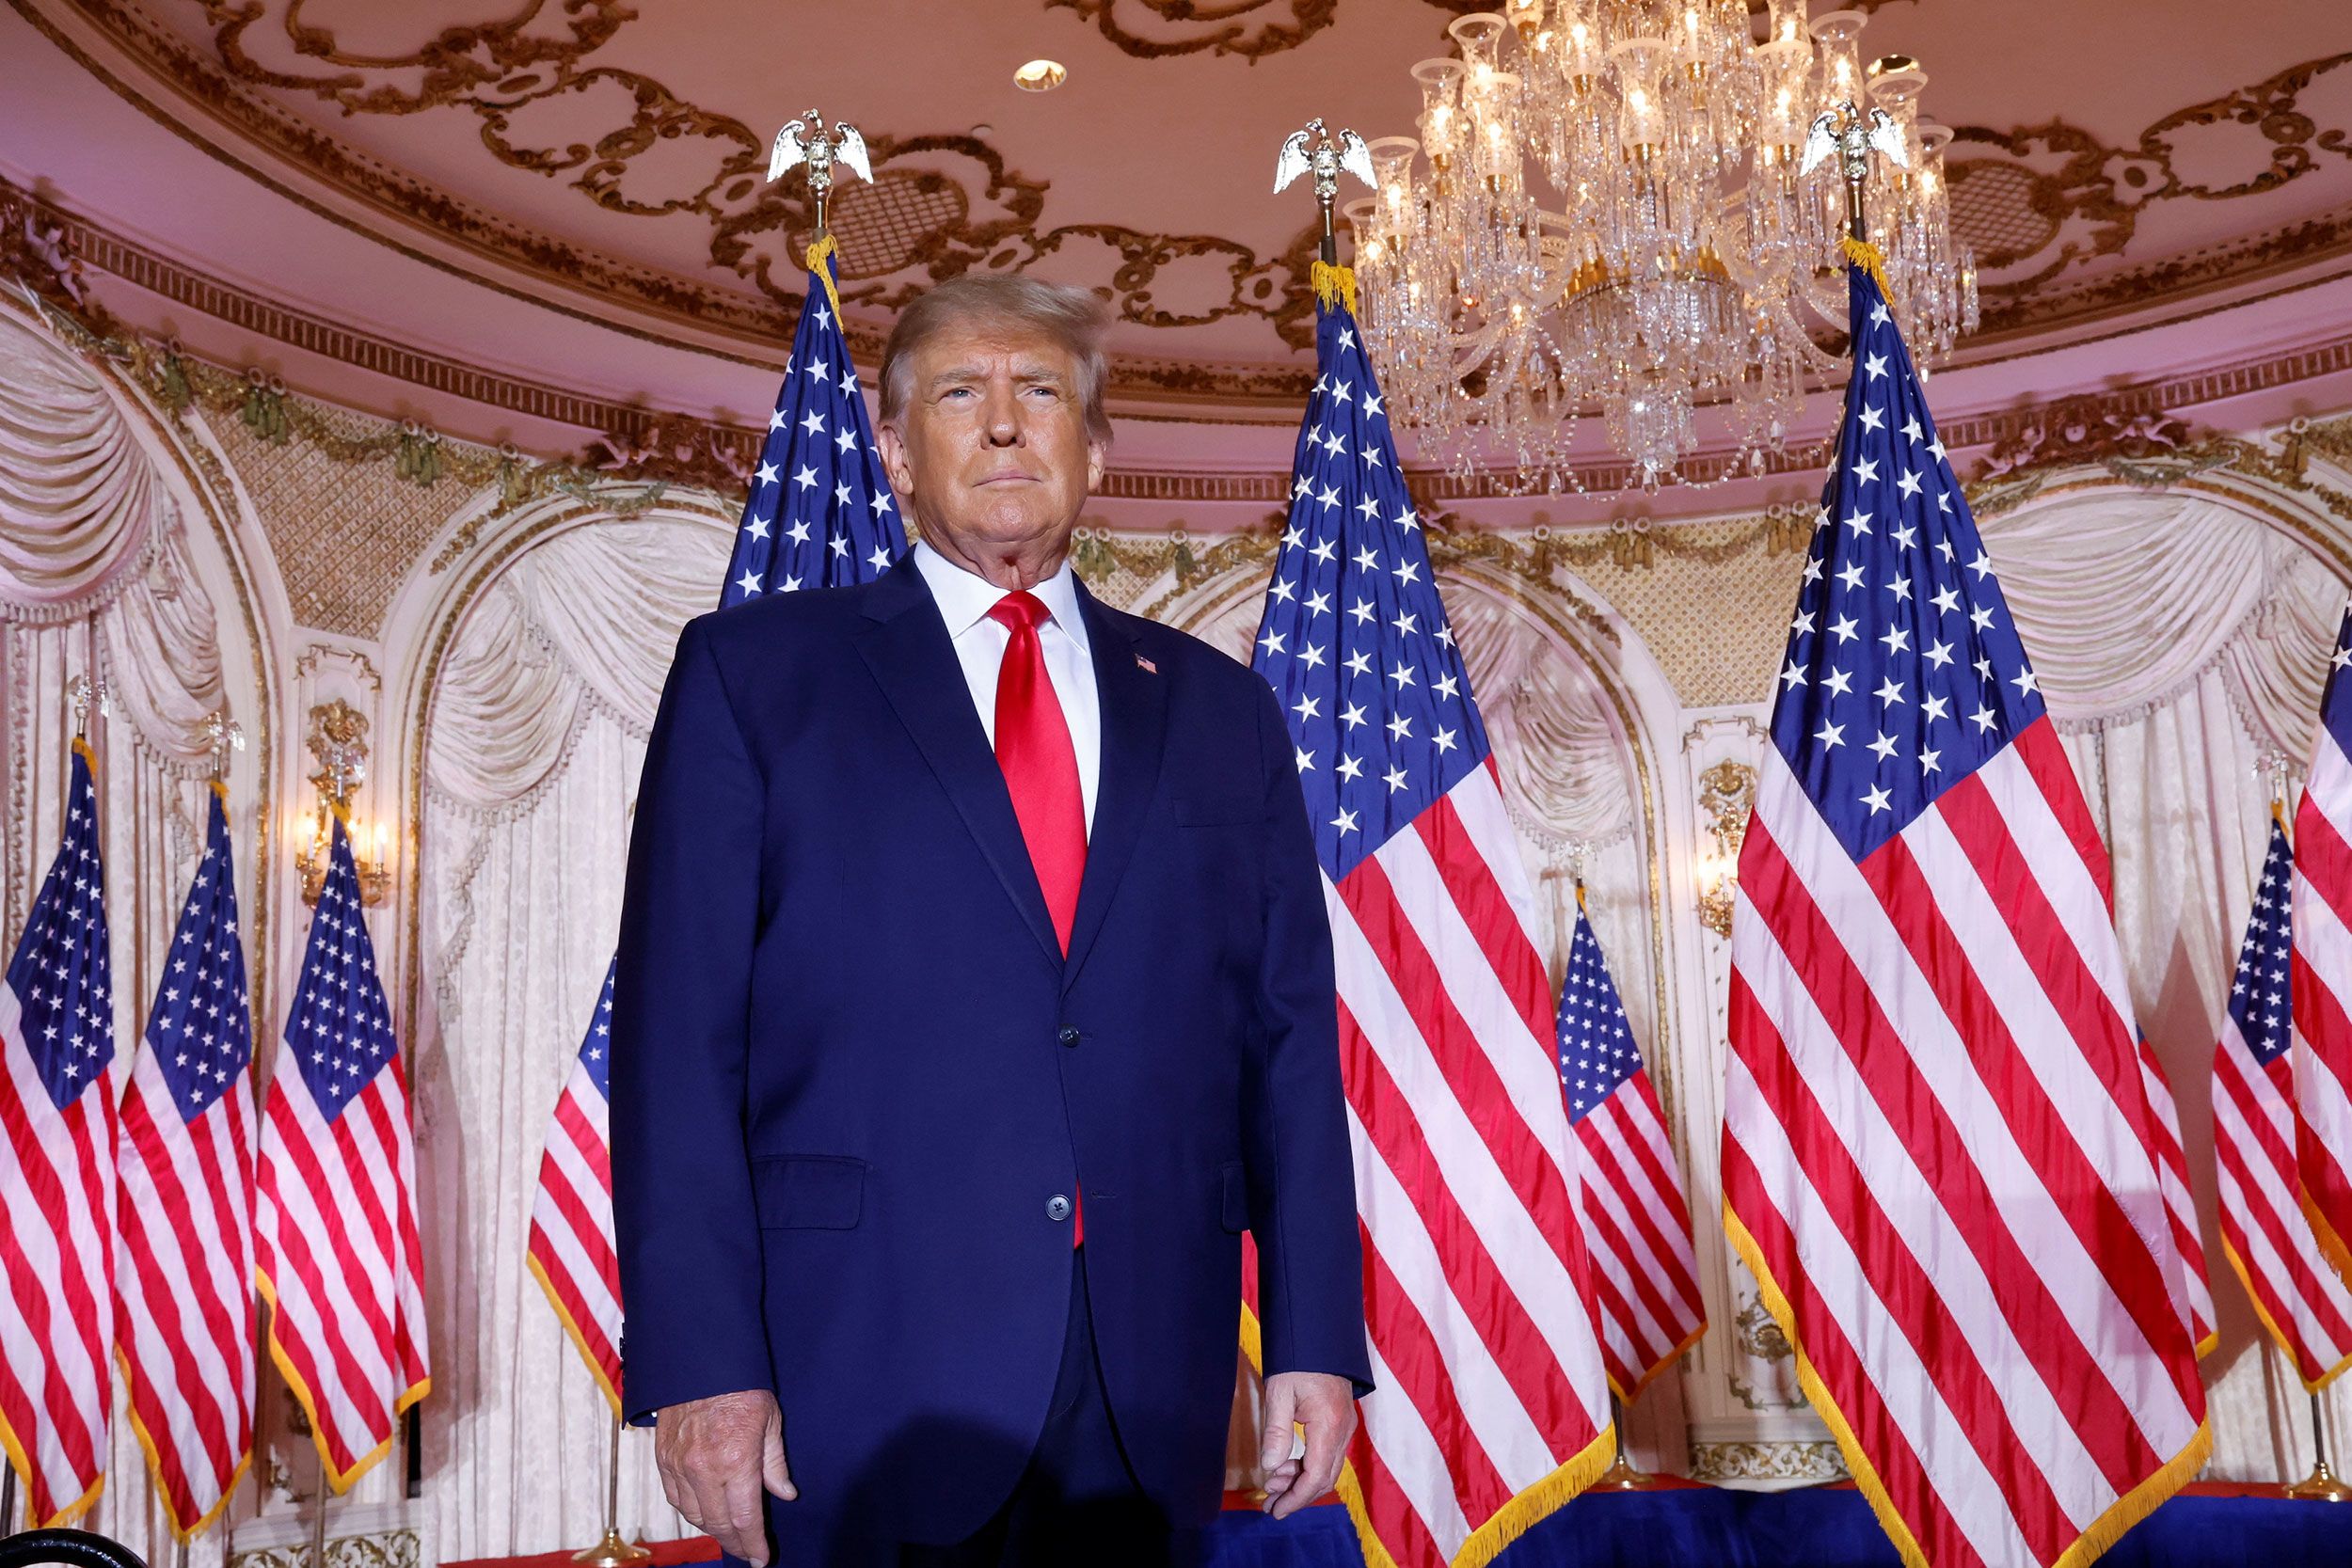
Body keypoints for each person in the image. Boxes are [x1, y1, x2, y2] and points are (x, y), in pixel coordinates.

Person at [610, 273, 1370, 1567]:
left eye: (1043, 394)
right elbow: (678, 1046)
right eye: (962, 394)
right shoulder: (755, 677)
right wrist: (702, 1366)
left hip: (1147, 1378)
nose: (1006, 424)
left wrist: (1311, 1339)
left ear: (1095, 447)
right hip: (857, 1372)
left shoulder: (1220, 710)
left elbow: (1287, 1046)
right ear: (900, 453)